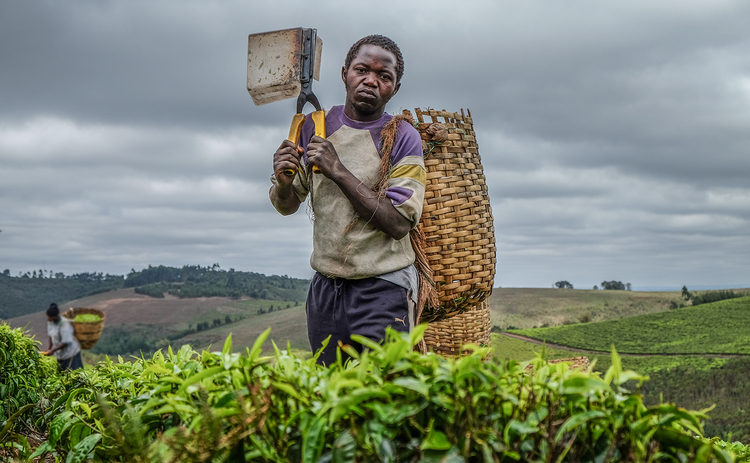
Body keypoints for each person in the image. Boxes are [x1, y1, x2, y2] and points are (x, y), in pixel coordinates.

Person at [269, 35, 427, 365]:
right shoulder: (314, 126)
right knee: (330, 392)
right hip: (327, 290)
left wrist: (337, 169)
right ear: (345, 74)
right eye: (362, 70)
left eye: (385, 76)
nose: (371, 80)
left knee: (383, 393)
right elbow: (286, 204)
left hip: (384, 289)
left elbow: (398, 223)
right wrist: (284, 183)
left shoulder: (401, 136)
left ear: (394, 88)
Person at [44, 303, 83, 370]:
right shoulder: (50, 322)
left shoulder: (64, 324)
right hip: (61, 355)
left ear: (55, 316)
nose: (48, 318)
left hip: (71, 354)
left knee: (75, 374)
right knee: (63, 376)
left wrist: (52, 350)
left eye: (49, 317)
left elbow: (66, 342)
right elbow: (50, 336)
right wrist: (49, 348)